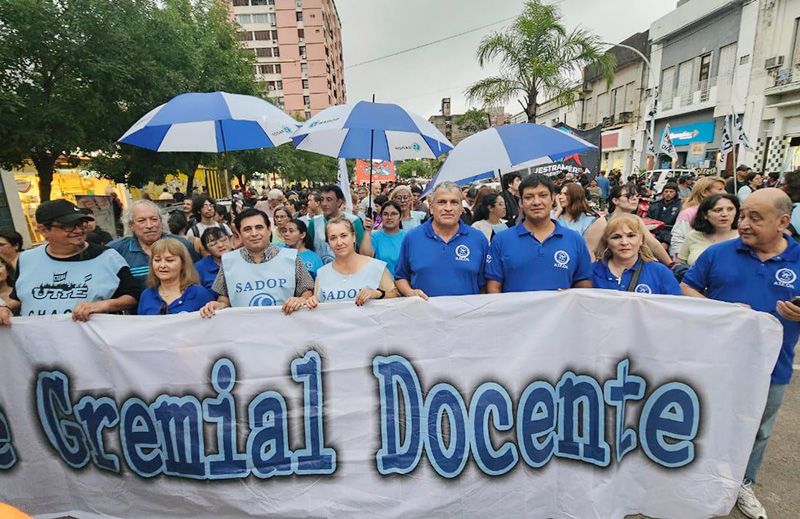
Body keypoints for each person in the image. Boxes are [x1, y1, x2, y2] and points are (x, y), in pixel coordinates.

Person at [681, 188, 800, 519]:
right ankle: (697, 478)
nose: (743, 223)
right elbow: (687, 288)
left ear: (783, 222)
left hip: (773, 368)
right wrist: (718, 309)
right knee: (705, 419)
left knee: (758, 428)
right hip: (715, 364)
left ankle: (742, 484)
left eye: (755, 218)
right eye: (743, 215)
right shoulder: (717, 254)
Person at [0, 199, 139, 325]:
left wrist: (102, 305)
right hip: (37, 345)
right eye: (68, 226)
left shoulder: (108, 257)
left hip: (87, 345)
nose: (78, 230)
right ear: (43, 230)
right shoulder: (27, 259)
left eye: (81, 224)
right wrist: (5, 308)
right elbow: (18, 297)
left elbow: (133, 296)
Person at [486, 174, 592, 293]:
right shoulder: (501, 240)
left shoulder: (574, 239)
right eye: (529, 197)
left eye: (543, 195)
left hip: (560, 311)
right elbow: (493, 287)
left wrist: (571, 295)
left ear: (552, 198)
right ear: (520, 202)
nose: (536, 202)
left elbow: (584, 282)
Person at [200, 208, 314, 317]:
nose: (254, 233)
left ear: (269, 230)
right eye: (247, 229)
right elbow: (223, 296)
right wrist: (220, 304)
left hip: (284, 329)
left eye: (259, 227)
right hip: (244, 332)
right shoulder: (228, 261)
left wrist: (301, 299)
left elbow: (307, 290)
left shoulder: (291, 257)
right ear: (239, 234)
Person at [395, 181, 489, 298]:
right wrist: (410, 292)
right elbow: (400, 277)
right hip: (424, 314)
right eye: (441, 202)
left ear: (461, 208)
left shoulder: (478, 239)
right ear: (431, 207)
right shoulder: (412, 237)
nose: (448, 208)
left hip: (466, 314)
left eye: (454, 202)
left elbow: (486, 285)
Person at [306, 217, 399, 307]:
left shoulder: (377, 267)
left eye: (344, 236)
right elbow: (318, 305)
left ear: (354, 237)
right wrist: (311, 301)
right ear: (328, 243)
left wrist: (378, 293)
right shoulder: (322, 274)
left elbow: (396, 297)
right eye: (333, 238)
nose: (339, 242)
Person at [109, 200, 198, 288]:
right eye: (141, 221)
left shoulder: (182, 245)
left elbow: (195, 278)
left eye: (154, 219)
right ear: (131, 225)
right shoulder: (116, 251)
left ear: (161, 221)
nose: (149, 225)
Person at [591, 213, 681, 295]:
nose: (624, 242)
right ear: (607, 242)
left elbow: (674, 307)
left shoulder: (660, 272)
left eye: (631, 236)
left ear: (641, 239)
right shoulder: (592, 272)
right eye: (616, 237)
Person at [584, 184, 673, 265]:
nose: (634, 199)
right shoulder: (603, 222)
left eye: (636, 196)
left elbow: (654, 245)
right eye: (628, 196)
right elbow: (589, 251)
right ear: (615, 200)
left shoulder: (637, 220)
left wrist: (671, 265)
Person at [137, 238, 215, 315]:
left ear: (183, 263)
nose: (162, 265)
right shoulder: (146, 295)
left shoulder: (200, 294)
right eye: (157, 260)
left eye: (169, 260)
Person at [669, 176, 727, 258]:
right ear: (704, 192)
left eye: (724, 189)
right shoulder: (689, 212)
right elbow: (678, 239)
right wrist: (682, 260)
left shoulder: (724, 212)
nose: (725, 192)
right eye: (720, 189)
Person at [307, 185, 365, 264]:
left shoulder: (354, 221)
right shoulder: (315, 222)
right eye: (322, 200)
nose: (324, 204)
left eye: (329, 200)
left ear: (339, 202)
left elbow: (362, 250)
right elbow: (308, 249)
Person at [677, 194, 740, 267]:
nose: (725, 214)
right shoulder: (693, 236)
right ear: (705, 214)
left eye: (730, 209)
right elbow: (680, 264)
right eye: (718, 210)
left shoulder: (743, 237)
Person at [360, 200, 406, 275]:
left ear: (400, 217)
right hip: (382, 283)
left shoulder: (408, 236)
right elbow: (365, 256)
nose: (389, 217)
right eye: (385, 214)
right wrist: (367, 231)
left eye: (394, 214)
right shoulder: (374, 236)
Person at [646, 182, 683, 249]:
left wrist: (667, 241)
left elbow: (680, 228)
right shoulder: (654, 204)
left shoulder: (681, 206)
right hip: (654, 234)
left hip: (672, 236)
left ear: (676, 193)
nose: (668, 194)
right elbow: (648, 220)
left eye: (671, 192)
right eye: (666, 191)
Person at [194, 227, 232, 293]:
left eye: (223, 240)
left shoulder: (243, 258)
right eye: (213, 244)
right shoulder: (199, 268)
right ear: (206, 249)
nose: (220, 245)